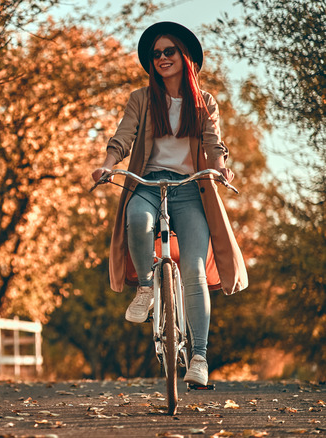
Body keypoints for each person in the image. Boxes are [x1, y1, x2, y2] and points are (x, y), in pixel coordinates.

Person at [90, 22, 248, 386]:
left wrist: (222, 169)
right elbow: (123, 136)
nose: (161, 58)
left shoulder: (204, 102)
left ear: (184, 56)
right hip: (149, 182)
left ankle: (199, 357)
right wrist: (109, 165)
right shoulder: (141, 99)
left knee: (193, 269)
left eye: (168, 52)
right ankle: (146, 288)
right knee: (138, 221)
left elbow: (214, 144)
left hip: (192, 189)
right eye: (156, 54)